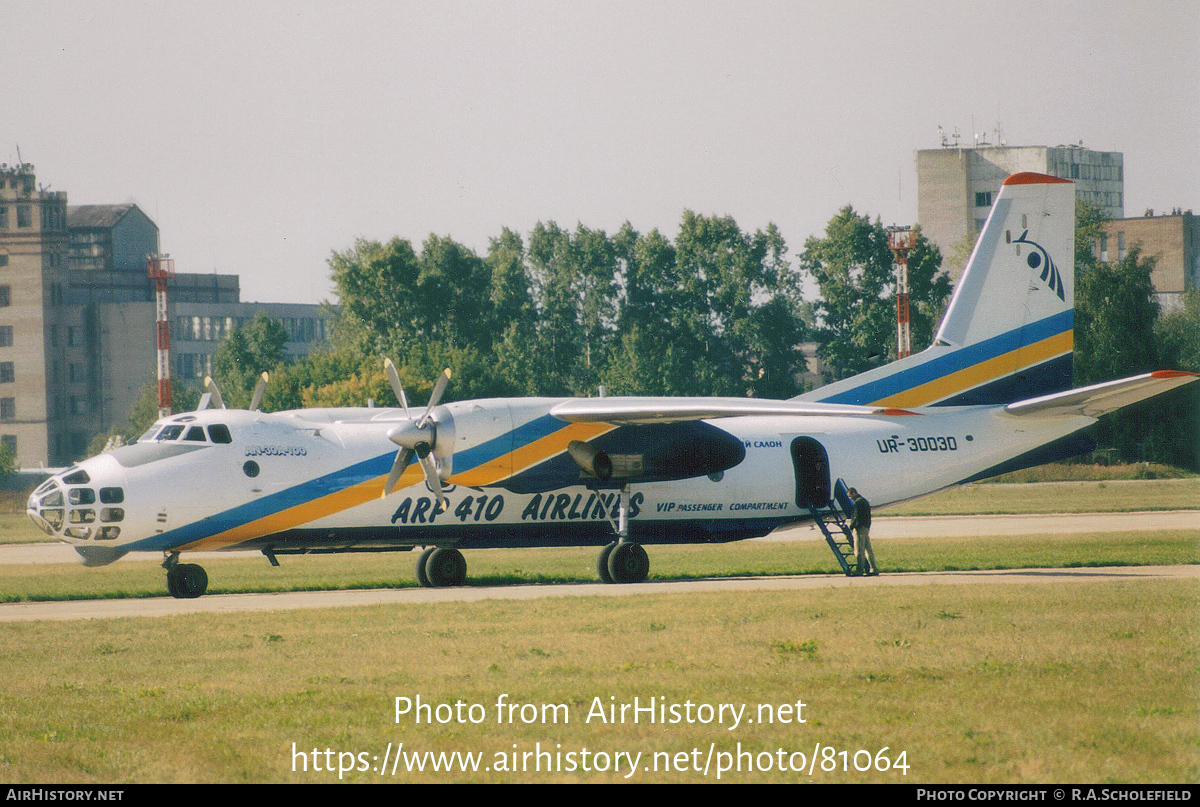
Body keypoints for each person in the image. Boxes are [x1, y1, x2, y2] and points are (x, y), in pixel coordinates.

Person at [847, 487, 877, 576]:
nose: (850, 498)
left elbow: (856, 517)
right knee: (868, 549)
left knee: (859, 550)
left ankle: (859, 570)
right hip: (865, 527)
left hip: (859, 528)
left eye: (850, 496)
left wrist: (852, 526)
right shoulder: (864, 501)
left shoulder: (858, 502)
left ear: (853, 494)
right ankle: (873, 568)